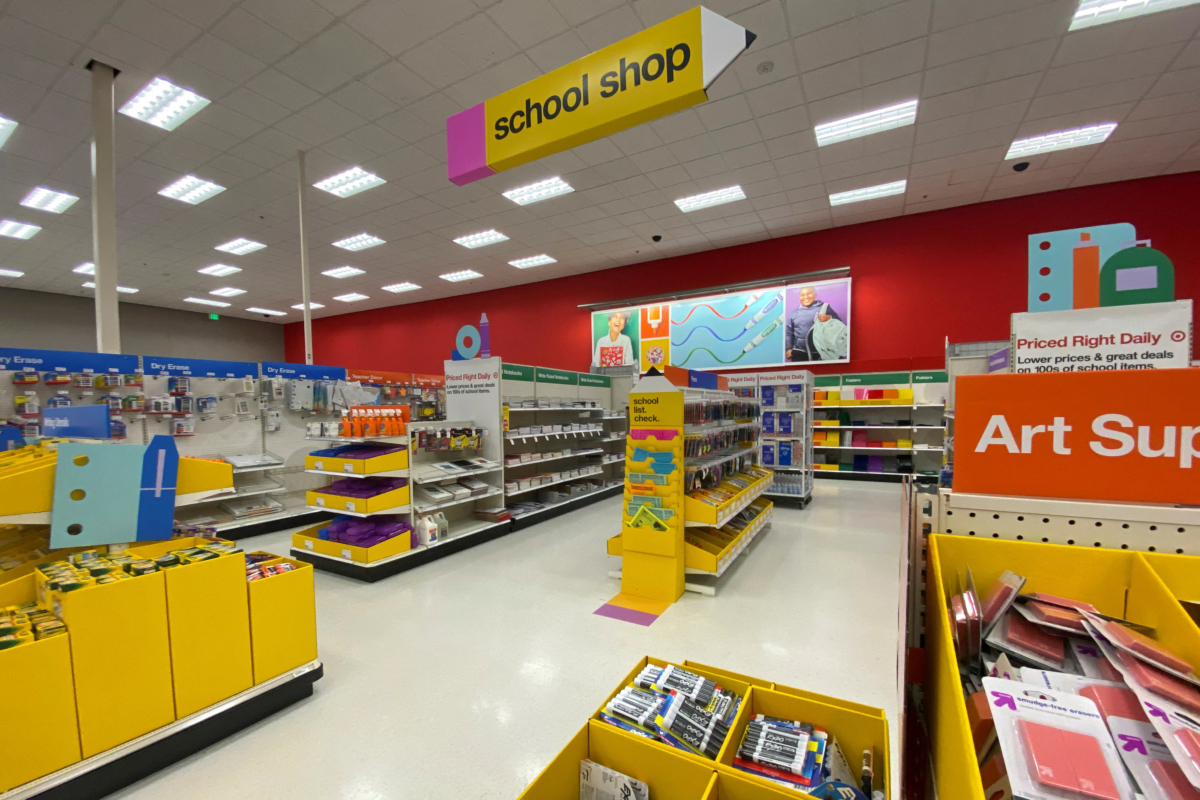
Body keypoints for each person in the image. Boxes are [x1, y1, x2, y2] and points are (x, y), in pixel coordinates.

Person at [785, 286, 842, 362]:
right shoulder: (794, 314)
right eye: (802, 295)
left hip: (821, 351)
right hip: (799, 352)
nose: (806, 297)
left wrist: (830, 318)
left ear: (815, 295)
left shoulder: (824, 308)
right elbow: (789, 333)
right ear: (799, 297)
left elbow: (840, 326)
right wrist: (788, 348)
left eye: (809, 294)